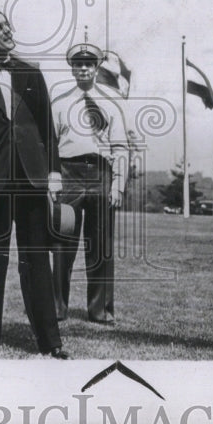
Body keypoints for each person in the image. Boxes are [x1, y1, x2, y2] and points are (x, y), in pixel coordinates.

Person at [0, 10, 68, 358]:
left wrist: (53, 172)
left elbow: (47, 125)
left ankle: (51, 342)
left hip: (32, 182)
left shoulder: (30, 72)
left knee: (37, 261)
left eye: (8, 25)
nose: (8, 31)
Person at [50, 43, 130, 325]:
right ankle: (57, 307)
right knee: (62, 240)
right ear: (72, 68)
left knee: (101, 243)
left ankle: (100, 309)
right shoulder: (59, 101)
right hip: (68, 172)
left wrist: (118, 184)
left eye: (89, 64)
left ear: (96, 68)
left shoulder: (111, 100)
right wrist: (53, 179)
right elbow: (50, 144)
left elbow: (121, 146)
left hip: (100, 172)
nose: (83, 69)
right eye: (78, 65)